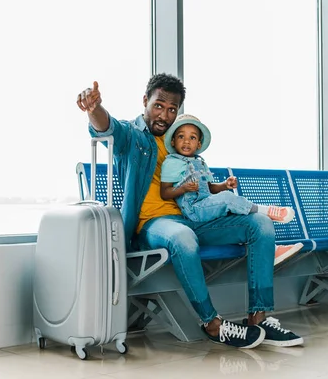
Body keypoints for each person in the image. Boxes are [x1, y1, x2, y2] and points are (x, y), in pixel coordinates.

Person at [76, 73, 303, 348]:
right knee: (182, 236)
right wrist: (94, 108)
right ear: (145, 101)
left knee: (260, 224)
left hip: (192, 219)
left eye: (172, 109)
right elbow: (106, 128)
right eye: (158, 105)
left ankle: (258, 317)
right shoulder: (133, 136)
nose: (164, 115)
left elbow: (201, 188)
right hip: (154, 225)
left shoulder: (179, 142)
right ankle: (211, 323)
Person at [160, 113, 304, 265]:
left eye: (192, 138)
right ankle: (266, 210)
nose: (186, 141)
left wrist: (224, 185)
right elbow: (165, 192)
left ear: (199, 145)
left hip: (208, 205)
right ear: (173, 141)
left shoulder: (200, 163)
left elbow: (209, 188)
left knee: (242, 219)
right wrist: (183, 188)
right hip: (195, 211)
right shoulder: (171, 163)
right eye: (181, 136)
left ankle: (272, 251)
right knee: (228, 199)